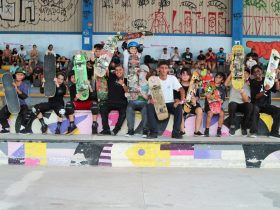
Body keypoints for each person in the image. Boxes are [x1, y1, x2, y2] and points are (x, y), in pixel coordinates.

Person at [146, 60, 185, 139]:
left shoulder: (172, 78)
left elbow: (181, 89)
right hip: (159, 104)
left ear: (168, 69)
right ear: (158, 69)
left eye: (166, 68)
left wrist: (181, 101)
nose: (164, 70)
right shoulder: (154, 79)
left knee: (179, 107)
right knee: (149, 106)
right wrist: (151, 99)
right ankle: (153, 132)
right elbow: (149, 94)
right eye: (162, 68)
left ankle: (175, 133)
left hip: (170, 104)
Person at [225, 68, 257, 137]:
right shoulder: (234, 81)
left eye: (246, 73)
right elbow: (226, 84)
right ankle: (232, 125)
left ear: (248, 75)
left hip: (243, 105)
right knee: (232, 104)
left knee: (250, 106)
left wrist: (242, 93)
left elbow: (246, 101)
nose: (244, 74)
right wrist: (232, 72)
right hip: (233, 104)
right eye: (243, 73)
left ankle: (244, 126)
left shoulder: (249, 85)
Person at [250, 65, 280, 138]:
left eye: (258, 71)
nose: (256, 73)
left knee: (278, 111)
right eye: (254, 72)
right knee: (255, 109)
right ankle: (253, 132)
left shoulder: (267, 80)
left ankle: (274, 133)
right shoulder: (253, 82)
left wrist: (276, 80)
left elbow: (276, 89)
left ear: (261, 71)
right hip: (256, 104)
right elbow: (255, 96)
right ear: (253, 75)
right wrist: (265, 90)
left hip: (266, 105)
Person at [99, 64, 128, 135]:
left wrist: (123, 84)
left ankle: (116, 130)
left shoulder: (127, 80)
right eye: (117, 70)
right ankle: (106, 130)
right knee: (103, 108)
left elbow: (128, 91)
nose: (118, 71)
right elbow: (106, 68)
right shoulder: (111, 77)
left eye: (120, 70)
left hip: (122, 102)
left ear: (123, 70)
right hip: (110, 101)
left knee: (124, 112)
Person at [0, 68, 31, 134]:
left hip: (21, 104)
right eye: (18, 74)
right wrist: (5, 89)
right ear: (15, 75)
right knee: (1, 113)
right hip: (11, 104)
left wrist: (16, 88)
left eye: (21, 75)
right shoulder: (10, 82)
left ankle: (23, 128)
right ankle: (6, 128)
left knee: (26, 113)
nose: (19, 76)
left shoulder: (24, 85)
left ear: (23, 76)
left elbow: (24, 97)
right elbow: (7, 93)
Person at [175, 68, 204, 136]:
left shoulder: (193, 85)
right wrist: (181, 101)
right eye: (183, 74)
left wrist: (195, 99)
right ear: (180, 75)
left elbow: (197, 96)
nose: (185, 76)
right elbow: (175, 98)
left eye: (187, 75)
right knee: (180, 111)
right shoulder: (177, 85)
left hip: (192, 103)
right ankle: (182, 130)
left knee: (199, 110)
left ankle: (196, 131)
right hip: (182, 104)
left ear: (190, 76)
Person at [125, 64, 149, 137]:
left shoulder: (149, 84)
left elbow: (148, 98)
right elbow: (131, 95)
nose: (140, 73)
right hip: (134, 102)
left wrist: (141, 91)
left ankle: (145, 131)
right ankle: (130, 130)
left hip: (144, 102)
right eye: (139, 72)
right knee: (129, 107)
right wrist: (132, 94)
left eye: (142, 71)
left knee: (146, 108)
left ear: (146, 73)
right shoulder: (134, 81)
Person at [204, 72, 226, 137]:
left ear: (222, 80)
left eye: (219, 78)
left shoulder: (222, 89)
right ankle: (207, 130)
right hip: (209, 105)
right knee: (210, 113)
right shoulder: (210, 86)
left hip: (217, 106)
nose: (217, 78)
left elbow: (222, 100)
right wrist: (215, 98)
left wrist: (220, 101)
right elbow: (208, 96)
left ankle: (219, 130)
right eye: (216, 77)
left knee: (222, 113)